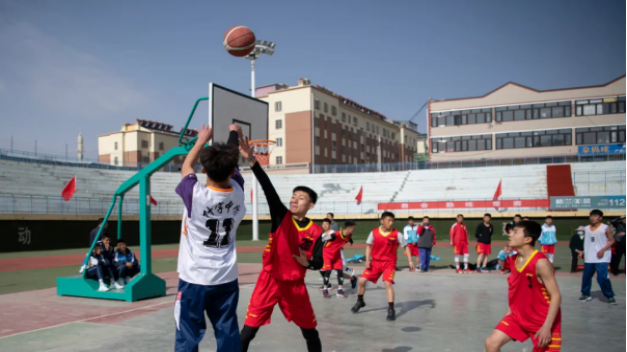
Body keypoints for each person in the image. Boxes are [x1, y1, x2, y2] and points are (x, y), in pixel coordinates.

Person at [238, 135, 324, 352]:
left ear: (310, 205)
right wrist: (252, 162)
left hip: (295, 286)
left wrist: (308, 264)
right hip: (269, 280)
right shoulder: (281, 217)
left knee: (310, 331)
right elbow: (268, 189)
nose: (295, 199)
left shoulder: (316, 231)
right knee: (248, 330)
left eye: (301, 197)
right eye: (294, 196)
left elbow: (319, 262)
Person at [174, 124, 246, 352]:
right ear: (233, 170)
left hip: (194, 278)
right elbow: (231, 161)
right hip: (226, 277)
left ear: (203, 170)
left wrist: (201, 140)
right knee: (228, 332)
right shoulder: (238, 190)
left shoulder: (195, 194)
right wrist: (234, 132)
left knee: (187, 334)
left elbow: (186, 165)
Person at [485, 221, 563, 352]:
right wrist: (509, 313)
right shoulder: (514, 259)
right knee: (491, 343)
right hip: (518, 316)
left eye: (515, 232)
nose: (510, 234)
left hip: (542, 320)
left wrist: (547, 327)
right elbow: (517, 290)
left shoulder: (540, 263)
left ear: (527, 239)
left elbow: (556, 295)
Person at [351, 212, 414, 321]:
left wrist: (410, 262)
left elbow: (406, 247)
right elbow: (368, 246)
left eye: (392, 221)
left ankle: (391, 309)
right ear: (382, 221)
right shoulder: (374, 233)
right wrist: (367, 260)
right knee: (361, 281)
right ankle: (360, 301)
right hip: (375, 262)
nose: (391, 223)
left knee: (387, 284)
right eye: (389, 220)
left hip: (389, 263)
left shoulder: (397, 234)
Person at [579, 210, 617, 305]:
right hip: (589, 257)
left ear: (600, 218)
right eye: (591, 216)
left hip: (602, 257)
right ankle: (586, 293)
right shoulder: (586, 228)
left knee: (602, 278)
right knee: (586, 277)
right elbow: (588, 242)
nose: (592, 218)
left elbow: (612, 240)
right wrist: (582, 251)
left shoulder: (605, 228)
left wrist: (602, 250)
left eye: (595, 216)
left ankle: (609, 295)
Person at [322, 220, 356, 298]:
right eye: (353, 228)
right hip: (327, 254)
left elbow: (348, 239)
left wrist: (351, 241)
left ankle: (340, 291)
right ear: (349, 228)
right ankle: (325, 290)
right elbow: (323, 240)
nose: (354, 230)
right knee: (328, 272)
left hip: (336, 255)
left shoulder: (349, 236)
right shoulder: (335, 235)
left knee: (340, 272)